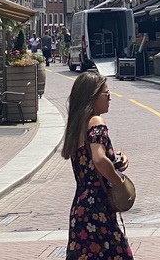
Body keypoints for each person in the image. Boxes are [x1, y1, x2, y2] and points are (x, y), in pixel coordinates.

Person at [62, 72, 132, 260]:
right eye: (105, 93)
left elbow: (90, 162)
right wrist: (119, 182)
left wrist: (116, 163)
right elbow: (99, 160)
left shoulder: (76, 126)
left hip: (81, 205)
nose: (110, 98)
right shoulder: (96, 122)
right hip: (99, 205)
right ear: (92, 96)